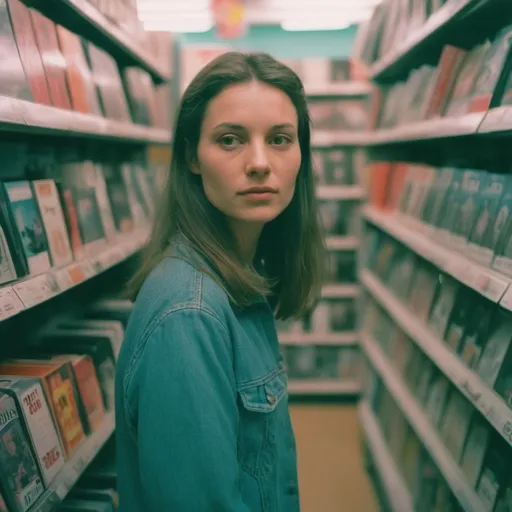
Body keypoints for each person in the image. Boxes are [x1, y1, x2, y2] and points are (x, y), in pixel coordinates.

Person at [115, 51, 325, 511]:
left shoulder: (237, 281)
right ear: (191, 155)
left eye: (280, 139)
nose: (258, 162)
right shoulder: (189, 315)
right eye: (230, 140)